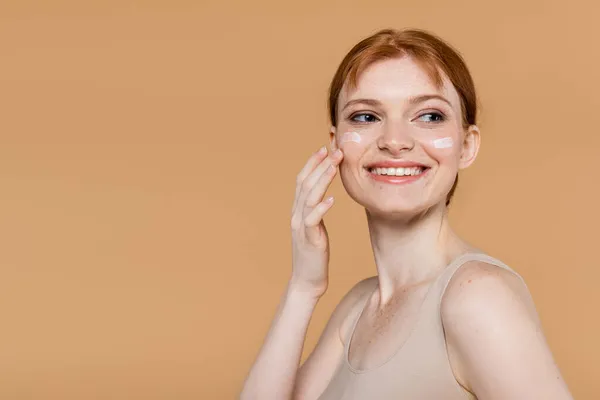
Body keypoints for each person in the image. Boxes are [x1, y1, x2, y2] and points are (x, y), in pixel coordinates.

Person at [240, 28, 573, 400]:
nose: (395, 140)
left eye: (429, 116)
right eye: (366, 117)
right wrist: (304, 287)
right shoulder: (357, 307)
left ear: (467, 146)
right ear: (335, 145)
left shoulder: (476, 296)